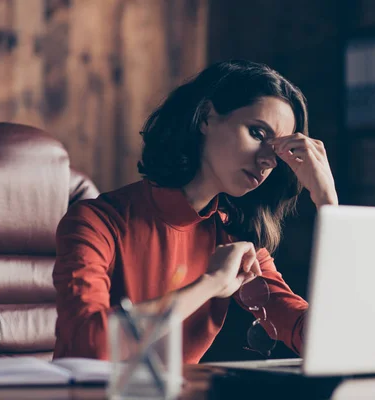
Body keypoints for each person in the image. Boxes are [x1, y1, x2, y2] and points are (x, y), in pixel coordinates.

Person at [52, 60, 338, 363]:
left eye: (277, 150)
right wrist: (211, 283)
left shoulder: (234, 238)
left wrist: (327, 202)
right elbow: (93, 346)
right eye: (257, 133)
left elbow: (320, 343)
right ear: (206, 116)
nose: (267, 160)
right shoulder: (95, 222)